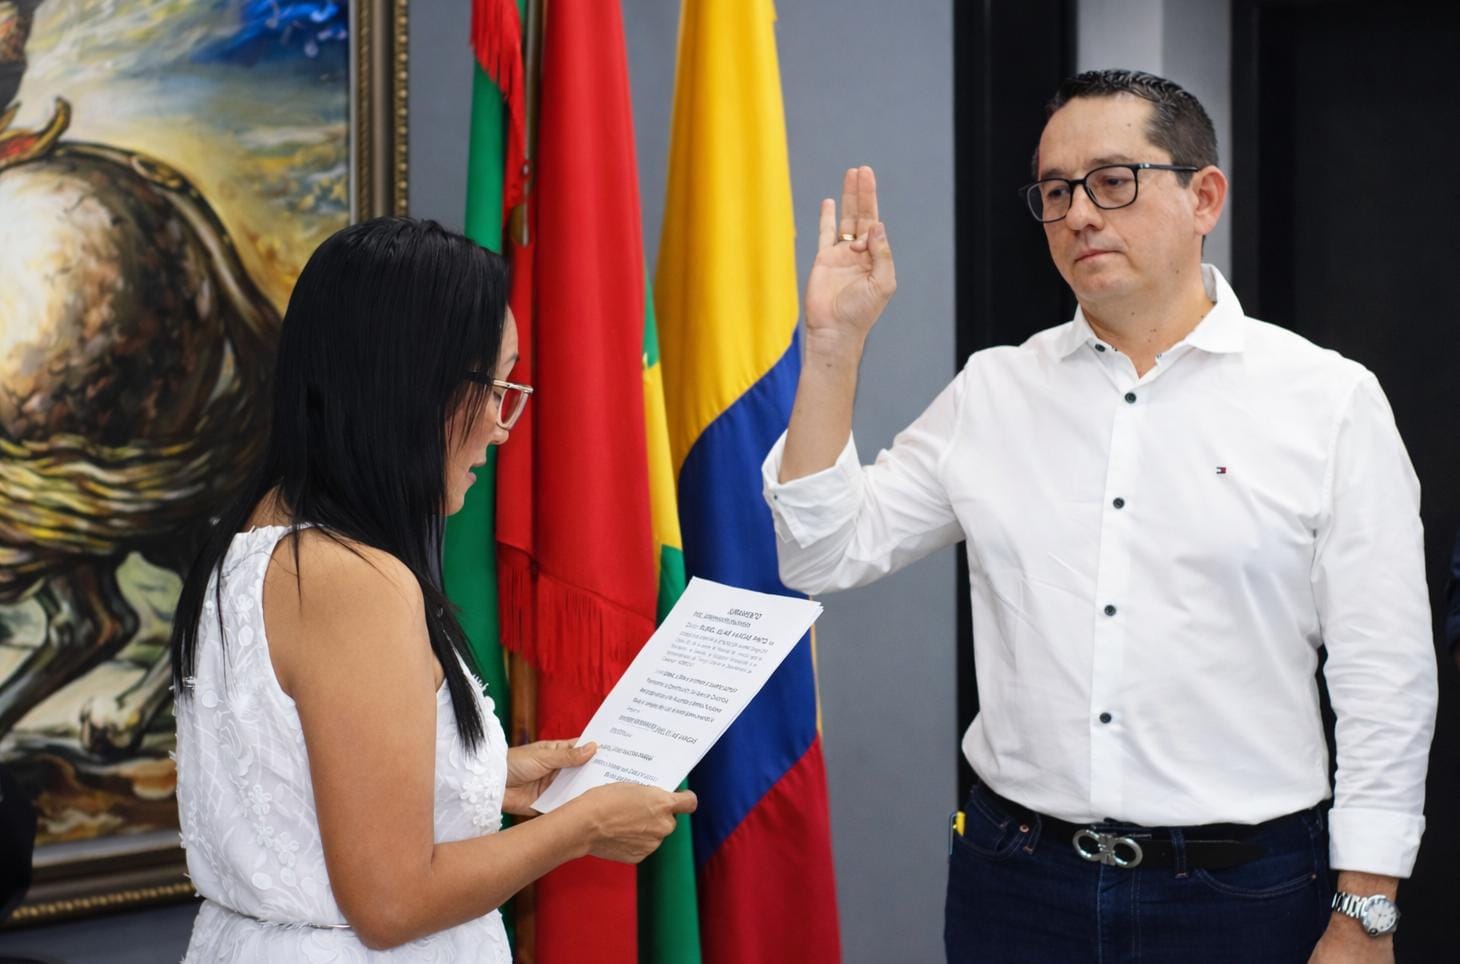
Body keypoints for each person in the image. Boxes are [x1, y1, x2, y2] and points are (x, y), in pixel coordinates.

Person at [762, 70, 1436, 963]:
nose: (1079, 213)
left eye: (1114, 181)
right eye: (1055, 191)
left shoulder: (1328, 400)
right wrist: (834, 345)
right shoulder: (995, 390)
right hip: (1019, 882)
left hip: (1244, 894)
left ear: (1204, 197)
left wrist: (1366, 913)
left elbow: (1384, 676)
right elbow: (821, 551)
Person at [170, 217, 695, 961]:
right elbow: (391, 902)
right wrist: (580, 827)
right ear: (414, 384)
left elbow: (301, 786)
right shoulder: (354, 578)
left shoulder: (254, 537)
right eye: (497, 388)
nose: (503, 427)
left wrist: (484, 777)